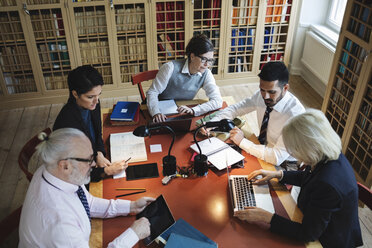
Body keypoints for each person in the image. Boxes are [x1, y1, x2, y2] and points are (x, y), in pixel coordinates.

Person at [234, 109, 363, 248]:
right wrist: (278, 174)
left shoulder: (328, 184)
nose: (292, 154)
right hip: (313, 218)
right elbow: (311, 177)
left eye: (294, 149)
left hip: (328, 241)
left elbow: (308, 234)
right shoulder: (326, 155)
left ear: (309, 147)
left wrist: (266, 217)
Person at [19, 128, 154, 248]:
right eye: (89, 160)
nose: (94, 163)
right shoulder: (62, 226)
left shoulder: (54, 171)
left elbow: (88, 203)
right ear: (65, 165)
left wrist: (132, 206)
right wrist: (133, 234)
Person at [207, 61, 305, 166]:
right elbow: (236, 108)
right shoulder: (261, 96)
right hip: (263, 146)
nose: (265, 96)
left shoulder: (295, 116)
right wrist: (211, 123)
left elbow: (276, 157)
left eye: (271, 92)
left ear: (285, 88)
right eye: (262, 90)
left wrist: (242, 141)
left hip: (285, 163)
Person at [53, 65, 125, 182]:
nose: (96, 101)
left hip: (92, 161)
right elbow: (73, 173)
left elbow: (97, 133)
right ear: (75, 94)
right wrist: (107, 171)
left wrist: (99, 153)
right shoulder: (66, 126)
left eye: (99, 95)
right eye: (90, 97)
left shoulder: (92, 104)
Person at [146, 33, 223, 123]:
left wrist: (194, 110)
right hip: (160, 112)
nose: (206, 65)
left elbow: (217, 101)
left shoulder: (206, 73)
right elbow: (152, 92)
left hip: (181, 112)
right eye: (203, 59)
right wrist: (156, 112)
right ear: (192, 56)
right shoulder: (170, 68)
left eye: (210, 60)